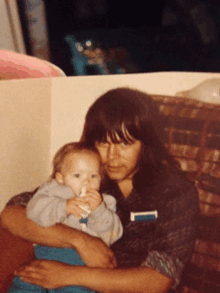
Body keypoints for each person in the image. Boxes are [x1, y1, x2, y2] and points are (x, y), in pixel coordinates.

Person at [1, 88, 199, 293]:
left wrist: (68, 275)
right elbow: (12, 215)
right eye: (104, 142)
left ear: (146, 144)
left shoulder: (174, 192)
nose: (112, 156)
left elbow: (159, 279)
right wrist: (81, 241)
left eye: (125, 143)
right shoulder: (88, 176)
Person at [8, 142, 123, 293]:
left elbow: (112, 235)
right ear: (60, 178)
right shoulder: (51, 192)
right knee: (25, 283)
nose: (86, 182)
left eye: (93, 176)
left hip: (81, 267)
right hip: (46, 258)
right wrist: (63, 207)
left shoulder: (105, 202)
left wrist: (99, 211)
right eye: (77, 175)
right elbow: (33, 212)